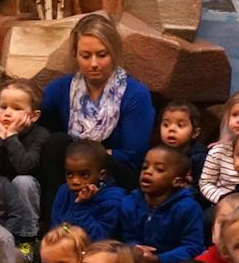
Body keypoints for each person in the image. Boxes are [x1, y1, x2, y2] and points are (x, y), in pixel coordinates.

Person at [37, 14, 156, 213]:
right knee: (55, 143)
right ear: (75, 55)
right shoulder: (60, 89)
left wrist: (87, 157)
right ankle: (52, 222)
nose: (93, 64)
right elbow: (40, 126)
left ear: (114, 53)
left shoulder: (135, 94)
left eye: (102, 55)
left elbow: (133, 154)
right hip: (69, 175)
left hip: (114, 173)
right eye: (86, 56)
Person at [120, 145, 206, 263]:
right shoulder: (130, 202)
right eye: (145, 167)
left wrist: (159, 260)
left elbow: (192, 247)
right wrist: (136, 249)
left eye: (159, 169)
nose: (148, 172)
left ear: (176, 181)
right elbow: (128, 235)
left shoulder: (188, 208)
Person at [0, 80, 49, 234]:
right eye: (3, 107)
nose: (7, 113)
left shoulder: (40, 134)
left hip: (26, 195)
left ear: (34, 116)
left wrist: (11, 136)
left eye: (16, 108)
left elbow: (25, 167)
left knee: (23, 181)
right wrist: (1, 137)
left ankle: (27, 239)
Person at [49, 140, 129, 242]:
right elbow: (54, 231)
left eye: (84, 175)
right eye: (69, 174)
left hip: (97, 253)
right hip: (65, 249)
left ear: (102, 174)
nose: (75, 181)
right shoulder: (64, 191)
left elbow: (99, 239)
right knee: (36, 251)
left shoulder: (113, 200)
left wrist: (82, 207)